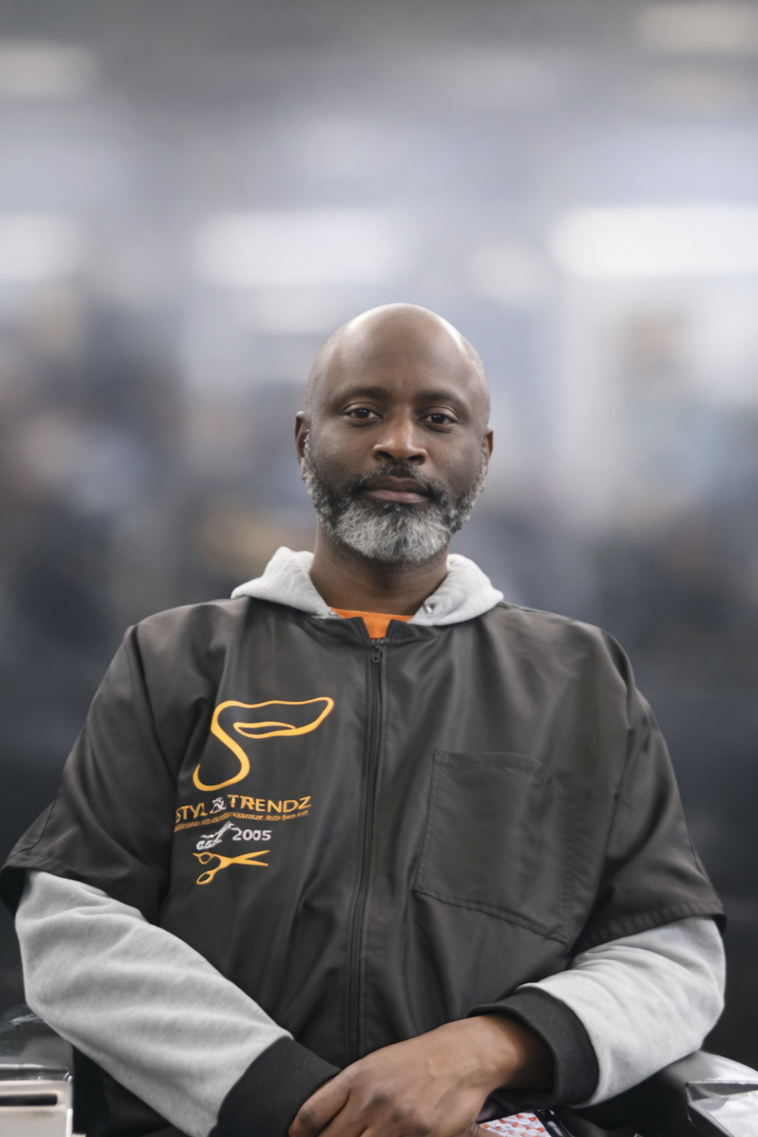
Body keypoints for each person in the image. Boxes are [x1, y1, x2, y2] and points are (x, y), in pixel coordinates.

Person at [1, 304, 725, 1137]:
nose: (402, 442)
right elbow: (70, 927)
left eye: (439, 418)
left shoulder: (580, 679)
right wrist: (294, 1101)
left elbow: (672, 954)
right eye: (363, 411)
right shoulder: (176, 658)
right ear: (305, 440)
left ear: (481, 454)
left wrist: (481, 1051)